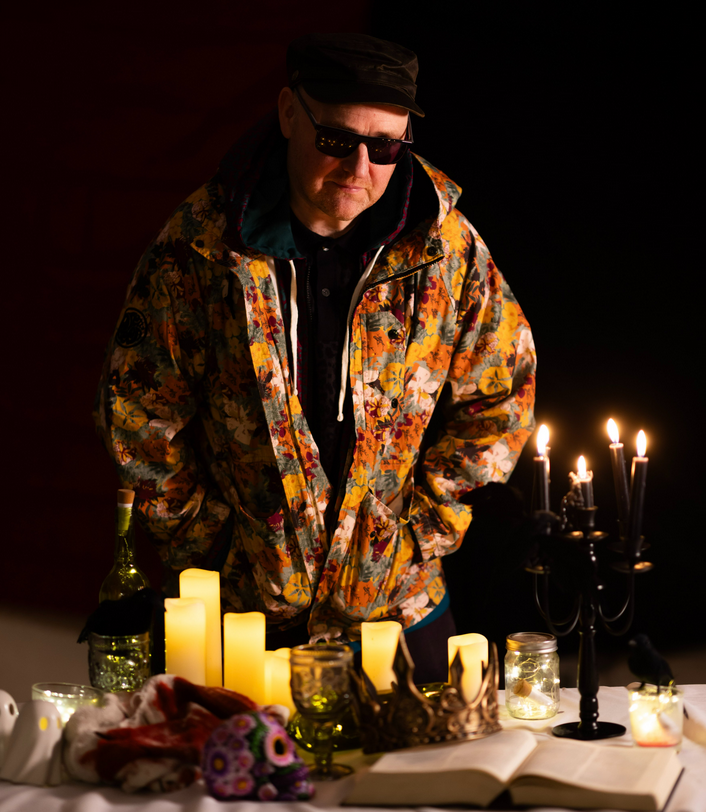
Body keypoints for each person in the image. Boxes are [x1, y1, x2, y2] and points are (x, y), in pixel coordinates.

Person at [94, 33, 536, 682]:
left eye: (385, 145)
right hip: (234, 622)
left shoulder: (448, 248)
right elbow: (134, 408)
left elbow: (506, 392)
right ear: (288, 113)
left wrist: (423, 529)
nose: (361, 167)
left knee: (411, 785)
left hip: (400, 617)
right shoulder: (200, 245)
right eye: (338, 140)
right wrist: (208, 540)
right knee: (227, 784)